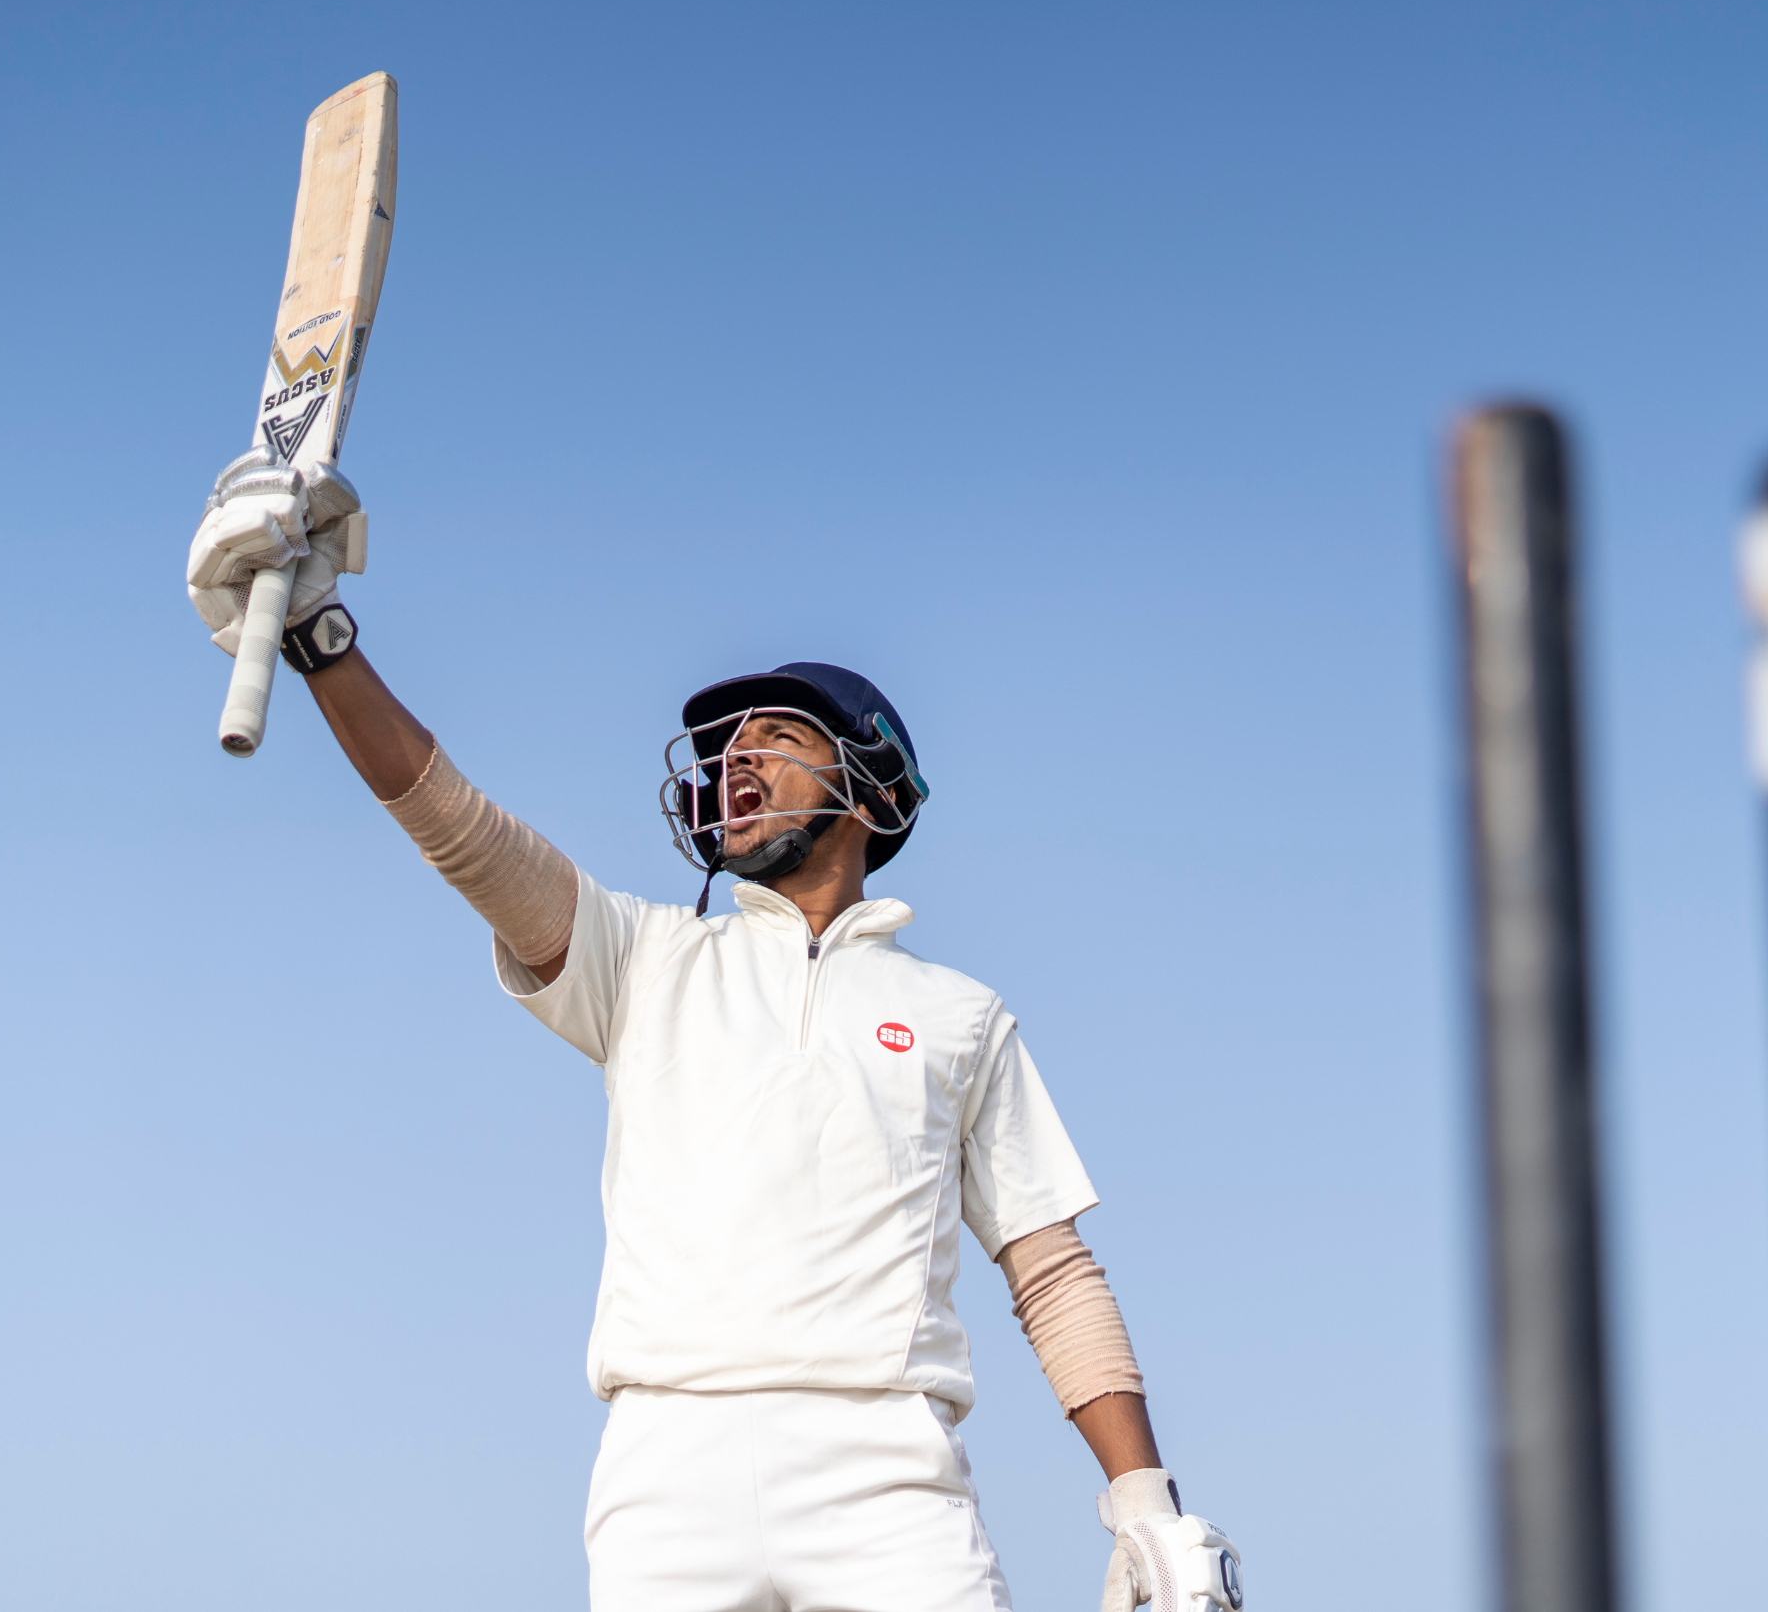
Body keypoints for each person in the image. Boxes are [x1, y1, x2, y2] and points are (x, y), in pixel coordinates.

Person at [185, 458, 1245, 1612]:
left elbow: (1050, 1274)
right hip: (664, 1467)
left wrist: (1144, 1504)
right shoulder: (645, 959)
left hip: (886, 1472)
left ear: (874, 788)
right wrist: (321, 640)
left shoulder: (958, 1014)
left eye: (774, 736)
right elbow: (459, 829)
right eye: (723, 746)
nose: (733, 758)